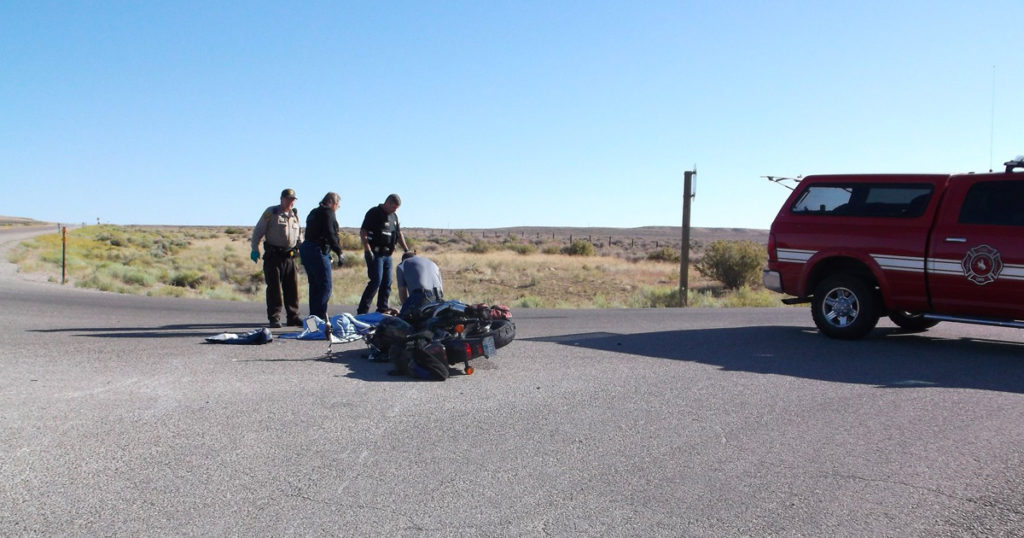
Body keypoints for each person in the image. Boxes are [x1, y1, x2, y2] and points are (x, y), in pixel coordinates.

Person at [250, 188, 302, 328]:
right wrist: (255, 248)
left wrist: (301, 250)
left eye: (292, 200)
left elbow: (299, 235)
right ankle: (274, 317)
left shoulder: (294, 214)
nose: (290, 202)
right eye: (288, 199)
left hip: (290, 257)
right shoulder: (271, 212)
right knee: (274, 289)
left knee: (292, 288)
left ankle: (293, 316)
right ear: (282, 199)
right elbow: (259, 230)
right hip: (274, 256)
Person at [357, 194, 409, 314]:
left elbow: (399, 234)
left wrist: (406, 249)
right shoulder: (374, 213)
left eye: (397, 208)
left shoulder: (394, 217)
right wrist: (367, 249)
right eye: (394, 207)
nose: (395, 210)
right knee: (376, 281)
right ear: (388, 203)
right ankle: (362, 311)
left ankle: (382, 308)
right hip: (375, 253)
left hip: (387, 255)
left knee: (387, 282)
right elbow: (363, 231)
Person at [299, 192, 343, 321]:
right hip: (317, 250)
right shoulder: (328, 213)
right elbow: (331, 233)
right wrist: (339, 252)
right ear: (333, 203)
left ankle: (313, 323)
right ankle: (319, 320)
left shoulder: (314, 212)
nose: (337, 208)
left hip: (307, 249)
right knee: (325, 286)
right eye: (337, 205)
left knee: (315, 287)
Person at [396, 251, 443, 318]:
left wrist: (405, 310)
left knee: (403, 321)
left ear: (403, 259)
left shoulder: (402, 265)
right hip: (439, 298)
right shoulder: (433, 263)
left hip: (421, 296)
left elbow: (402, 294)